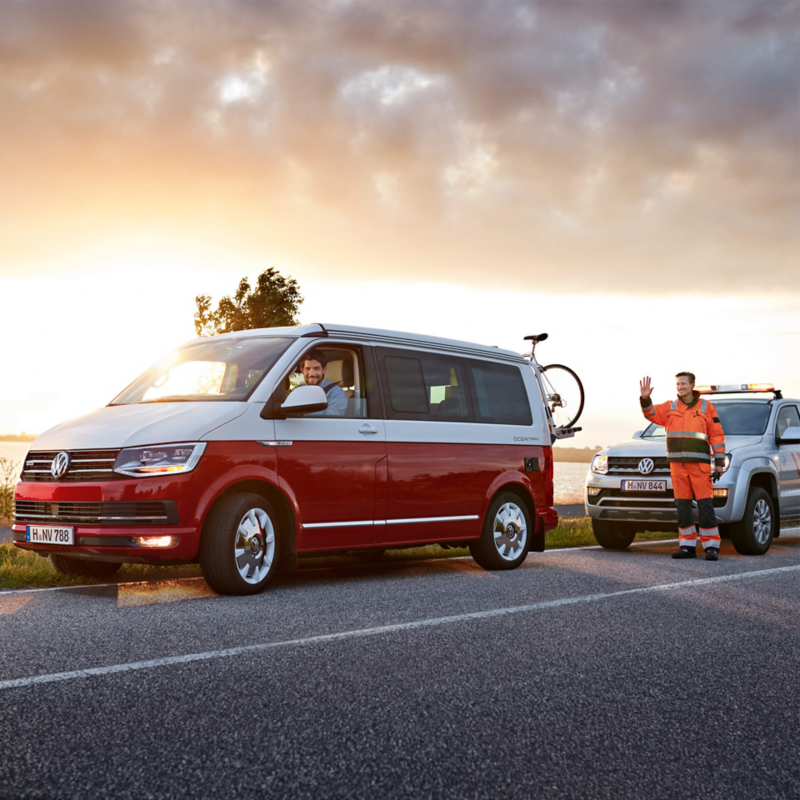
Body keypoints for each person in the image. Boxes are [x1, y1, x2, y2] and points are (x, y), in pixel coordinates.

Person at [639, 372, 726, 561]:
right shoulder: (670, 407)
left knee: (705, 506)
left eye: (684, 383)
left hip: (699, 466)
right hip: (678, 466)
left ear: (692, 385)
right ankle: (687, 546)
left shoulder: (706, 407)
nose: (680, 387)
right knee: (682, 507)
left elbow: (717, 435)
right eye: (678, 384)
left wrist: (719, 463)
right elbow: (650, 413)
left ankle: (711, 547)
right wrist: (645, 398)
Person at [297, 350, 347, 417]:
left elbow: (329, 424)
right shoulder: (297, 391)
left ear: (324, 370)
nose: (312, 374)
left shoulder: (336, 393)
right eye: (308, 369)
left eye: (316, 368)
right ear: (302, 370)